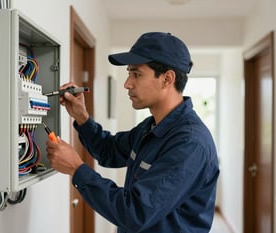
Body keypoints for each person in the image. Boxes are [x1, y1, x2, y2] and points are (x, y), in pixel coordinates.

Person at [46, 32, 219, 233]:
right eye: (129, 73)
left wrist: (76, 169)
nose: (127, 83)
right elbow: (108, 151)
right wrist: (82, 118)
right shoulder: (151, 126)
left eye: (136, 74)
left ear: (167, 79)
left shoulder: (189, 144)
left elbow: (135, 212)